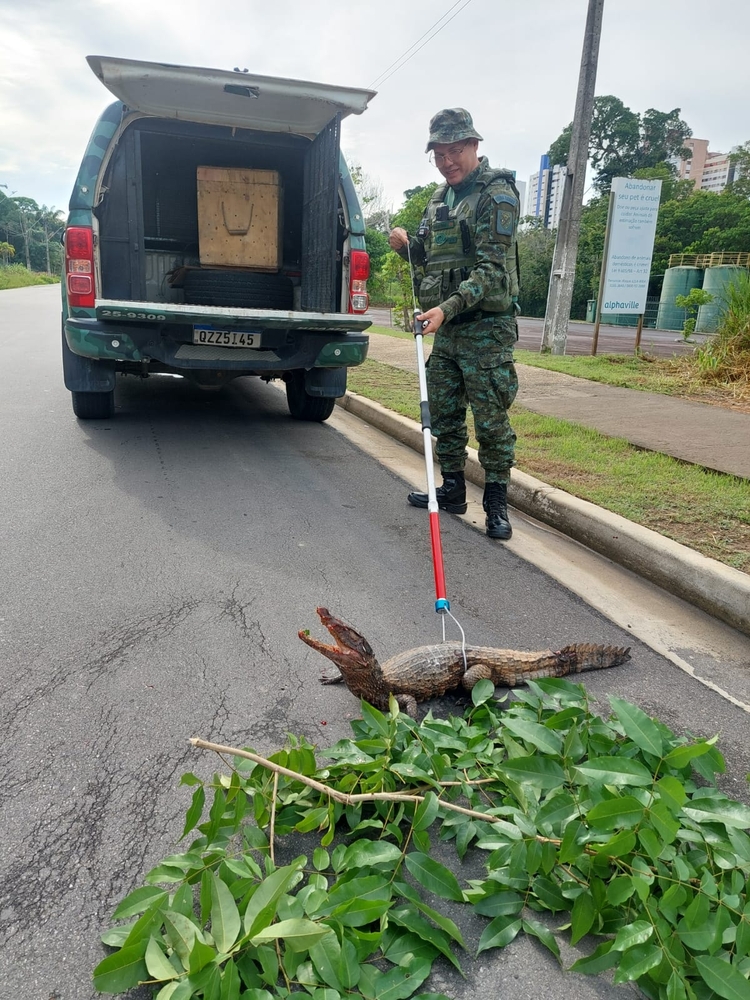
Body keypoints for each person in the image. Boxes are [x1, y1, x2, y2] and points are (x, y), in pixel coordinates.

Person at [389, 108, 521, 540]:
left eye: (455, 150)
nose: (447, 161)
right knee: (444, 411)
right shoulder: (438, 199)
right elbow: (427, 259)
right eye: (440, 153)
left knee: (490, 419)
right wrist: (405, 247)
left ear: (474, 146)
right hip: (447, 328)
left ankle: (497, 501)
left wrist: (447, 308)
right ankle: (451, 489)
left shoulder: (496, 195)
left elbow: (491, 271)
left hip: (486, 328)